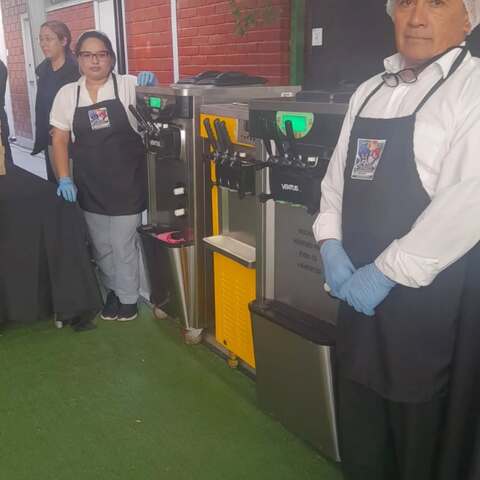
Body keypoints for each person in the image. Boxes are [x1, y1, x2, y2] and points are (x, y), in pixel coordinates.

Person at [313, 0, 480, 478]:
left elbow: (465, 202)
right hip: (356, 300)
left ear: (468, 19)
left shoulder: (472, 89)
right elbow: (335, 184)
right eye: (406, 2)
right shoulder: (369, 91)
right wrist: (329, 242)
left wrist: (385, 273)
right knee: (361, 427)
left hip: (427, 306)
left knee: (419, 438)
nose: (417, 17)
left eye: (437, 3)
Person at [50, 30, 156, 322]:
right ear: (78, 59)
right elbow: (59, 139)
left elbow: (160, 108)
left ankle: (129, 298)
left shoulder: (129, 85)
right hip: (90, 183)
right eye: (87, 55)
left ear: (111, 58)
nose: (94, 61)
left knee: (123, 244)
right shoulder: (68, 94)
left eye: (101, 54)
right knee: (102, 246)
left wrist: (154, 88)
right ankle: (113, 291)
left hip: (127, 182)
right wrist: (64, 177)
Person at [31, 21, 80, 183]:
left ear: (64, 41)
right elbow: (42, 107)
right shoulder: (43, 71)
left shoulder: (77, 71)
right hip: (51, 141)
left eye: (49, 39)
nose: (43, 44)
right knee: (55, 186)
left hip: (74, 142)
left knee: (78, 187)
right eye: (41, 39)